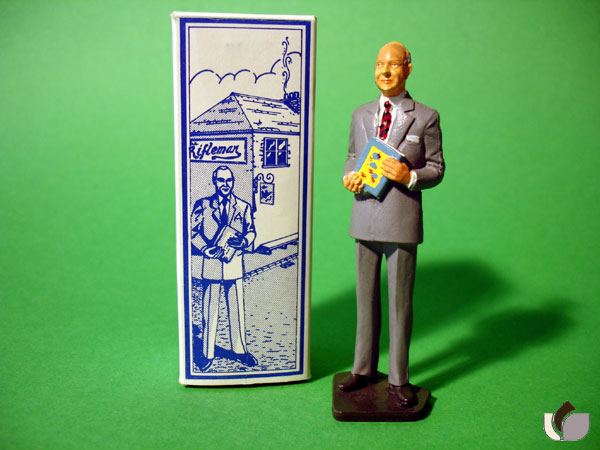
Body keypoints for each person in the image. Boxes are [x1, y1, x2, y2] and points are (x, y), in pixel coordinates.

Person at [339, 42, 445, 406]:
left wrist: (409, 176)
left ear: (408, 69)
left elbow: (437, 168)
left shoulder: (425, 117)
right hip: (364, 218)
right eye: (380, 64)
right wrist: (349, 177)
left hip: (401, 222)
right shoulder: (360, 114)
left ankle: (399, 379)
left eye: (393, 65)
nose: (385, 71)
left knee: (400, 305)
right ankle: (363, 368)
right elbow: (352, 156)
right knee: (364, 301)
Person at [191, 166, 258, 371]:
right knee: (209, 310)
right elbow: (192, 232)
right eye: (221, 180)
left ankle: (240, 351)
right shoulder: (203, 205)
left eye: (229, 180)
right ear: (214, 182)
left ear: (233, 182)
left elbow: (251, 232)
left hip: (233, 262)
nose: (225, 184)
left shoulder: (243, 207)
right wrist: (205, 248)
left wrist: (244, 241)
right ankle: (207, 353)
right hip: (211, 264)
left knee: (236, 309)